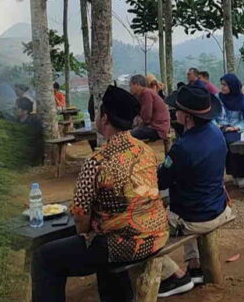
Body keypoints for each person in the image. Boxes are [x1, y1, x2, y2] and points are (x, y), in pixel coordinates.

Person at [31, 86, 168, 302]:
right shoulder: (145, 150)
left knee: (44, 258)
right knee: (105, 237)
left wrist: (86, 234)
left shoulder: (97, 161)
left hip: (124, 245)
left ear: (104, 118)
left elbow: (80, 215)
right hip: (156, 234)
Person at [157, 85, 234, 297]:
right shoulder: (216, 132)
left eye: (177, 110)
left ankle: (175, 277)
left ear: (187, 117)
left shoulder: (183, 147)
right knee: (185, 200)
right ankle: (195, 265)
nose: (174, 113)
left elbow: (160, 182)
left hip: (196, 218)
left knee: (139, 231)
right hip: (217, 206)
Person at [214, 73, 244, 188]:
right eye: (222, 85)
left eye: (225, 85)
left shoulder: (242, 99)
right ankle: (229, 175)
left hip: (236, 130)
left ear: (232, 86)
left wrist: (235, 127)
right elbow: (211, 117)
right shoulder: (217, 98)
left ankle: (240, 175)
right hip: (220, 129)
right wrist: (220, 127)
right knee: (220, 143)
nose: (222, 87)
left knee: (237, 144)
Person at [129, 74, 171, 142]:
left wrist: (139, 123)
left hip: (158, 129)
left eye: (131, 85)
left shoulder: (146, 93)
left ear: (136, 84)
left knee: (129, 136)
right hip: (156, 126)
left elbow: (146, 117)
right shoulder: (144, 94)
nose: (130, 88)